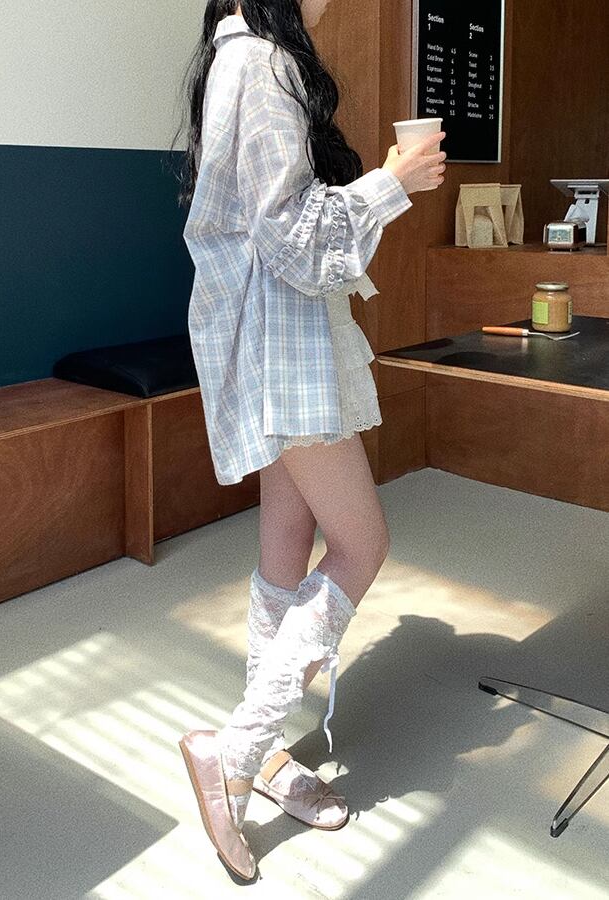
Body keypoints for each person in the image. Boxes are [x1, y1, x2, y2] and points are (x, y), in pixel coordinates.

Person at [173, 0, 446, 880]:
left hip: (275, 338)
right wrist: (394, 181)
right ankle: (237, 750)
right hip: (281, 344)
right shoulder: (261, 63)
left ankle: (266, 751)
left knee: (287, 542)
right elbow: (290, 236)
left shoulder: (244, 57)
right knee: (363, 542)